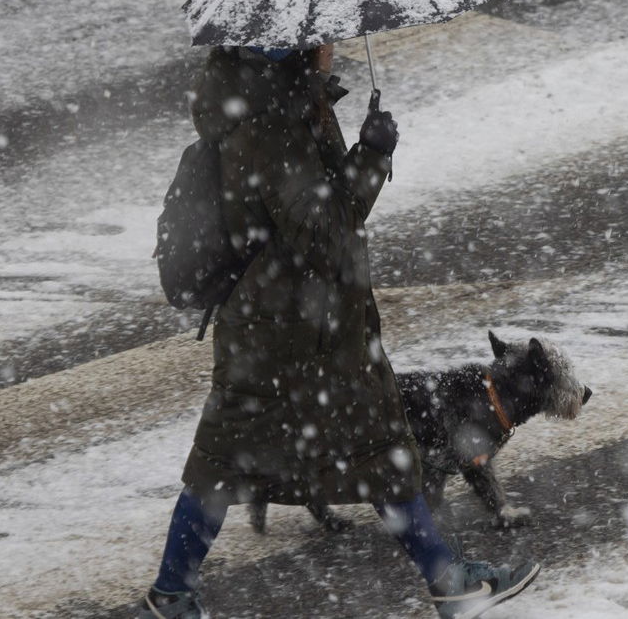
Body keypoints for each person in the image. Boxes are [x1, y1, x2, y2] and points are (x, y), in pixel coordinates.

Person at [138, 44, 539, 619]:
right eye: (322, 36)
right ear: (291, 48)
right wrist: (369, 153)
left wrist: (367, 155)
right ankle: (172, 594)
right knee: (234, 460)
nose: (333, 45)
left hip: (304, 325)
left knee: (368, 452)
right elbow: (323, 234)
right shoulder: (270, 124)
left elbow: (329, 218)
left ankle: (449, 581)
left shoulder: (285, 107)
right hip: (287, 333)